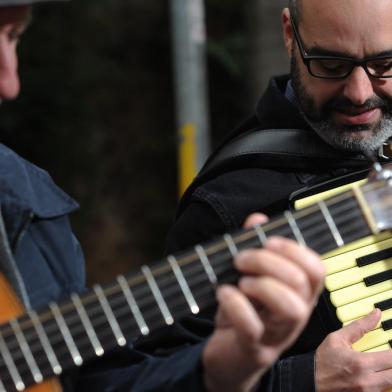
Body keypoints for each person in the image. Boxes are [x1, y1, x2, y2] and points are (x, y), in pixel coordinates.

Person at [0, 0, 325, 391]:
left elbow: (97, 382)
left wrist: (223, 366)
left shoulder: (25, 200)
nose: (9, 81)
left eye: (12, 37)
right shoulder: (226, 196)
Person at [166, 0, 392, 390]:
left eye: (386, 65)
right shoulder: (228, 203)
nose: (359, 93)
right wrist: (300, 380)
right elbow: (148, 375)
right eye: (331, 65)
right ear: (290, 34)